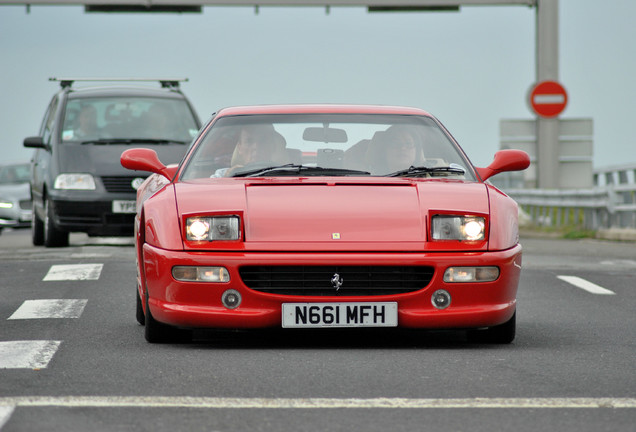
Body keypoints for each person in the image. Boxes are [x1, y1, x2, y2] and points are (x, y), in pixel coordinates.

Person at [213, 124, 288, 177]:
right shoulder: (221, 176)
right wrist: (227, 179)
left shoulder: (292, 174)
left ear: (272, 146)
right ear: (239, 147)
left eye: (262, 141)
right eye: (249, 141)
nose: (256, 147)